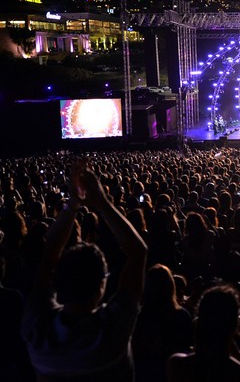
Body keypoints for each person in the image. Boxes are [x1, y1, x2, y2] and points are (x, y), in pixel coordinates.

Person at [21, 158, 148, 382]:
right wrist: (102, 202)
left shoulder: (38, 331)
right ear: (102, 284)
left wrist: (73, 205)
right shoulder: (111, 331)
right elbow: (139, 253)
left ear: (58, 282)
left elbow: (47, 258)